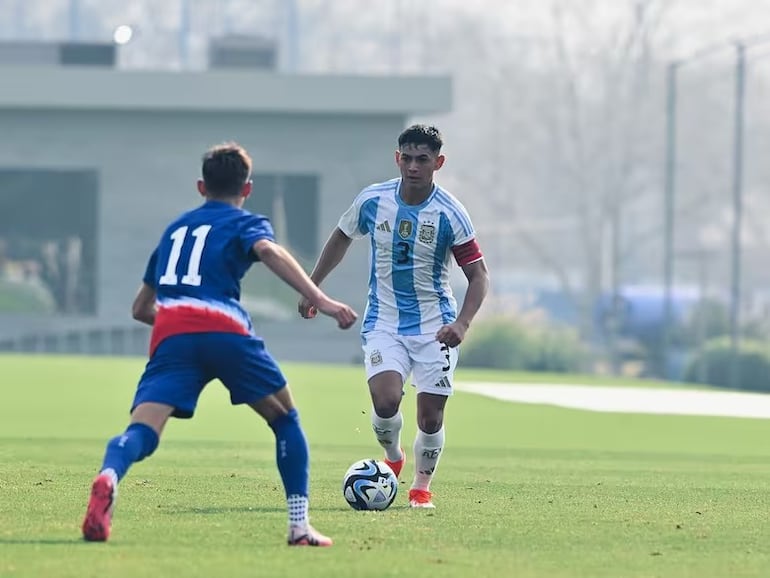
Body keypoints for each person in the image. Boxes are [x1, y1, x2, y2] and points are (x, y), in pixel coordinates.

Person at [81, 142, 358, 547]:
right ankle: (299, 527)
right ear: (246, 189)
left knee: (142, 430)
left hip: (172, 332)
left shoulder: (175, 231)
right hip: (224, 328)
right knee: (285, 419)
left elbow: (141, 309)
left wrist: (181, 322)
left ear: (200, 186)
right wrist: (321, 299)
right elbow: (266, 250)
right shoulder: (244, 222)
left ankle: (108, 475)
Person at [298, 124, 489, 509]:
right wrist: (312, 287)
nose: (413, 166)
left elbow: (479, 276)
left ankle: (421, 488)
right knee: (385, 402)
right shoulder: (373, 200)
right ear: (396, 157)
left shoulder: (451, 213)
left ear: (439, 162)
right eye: (407, 158)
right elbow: (341, 236)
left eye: (423, 159)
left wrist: (462, 324)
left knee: (431, 417)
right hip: (384, 321)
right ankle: (394, 456)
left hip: (436, 326)